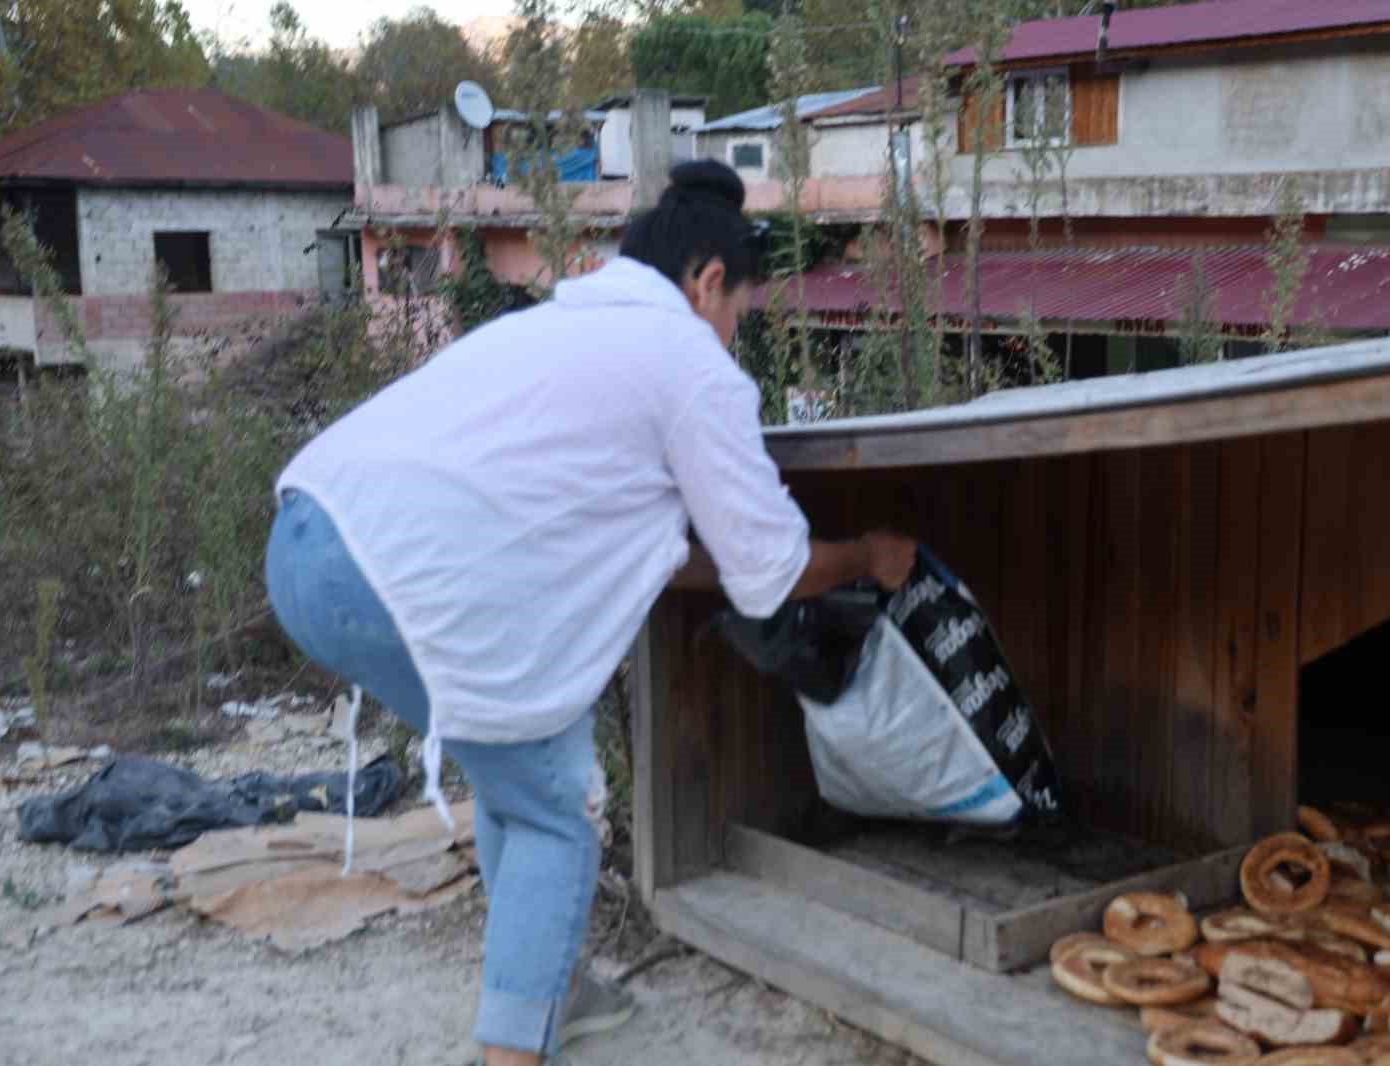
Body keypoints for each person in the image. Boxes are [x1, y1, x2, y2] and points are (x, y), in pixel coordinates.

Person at [263, 160, 917, 1066]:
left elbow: (688, 556)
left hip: (307, 541)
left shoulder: (574, 323)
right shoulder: (688, 363)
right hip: (393, 580)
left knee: (519, 778)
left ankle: (552, 988)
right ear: (709, 280)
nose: (734, 339)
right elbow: (770, 573)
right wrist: (869, 559)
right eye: (738, 317)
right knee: (558, 810)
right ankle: (518, 1046)